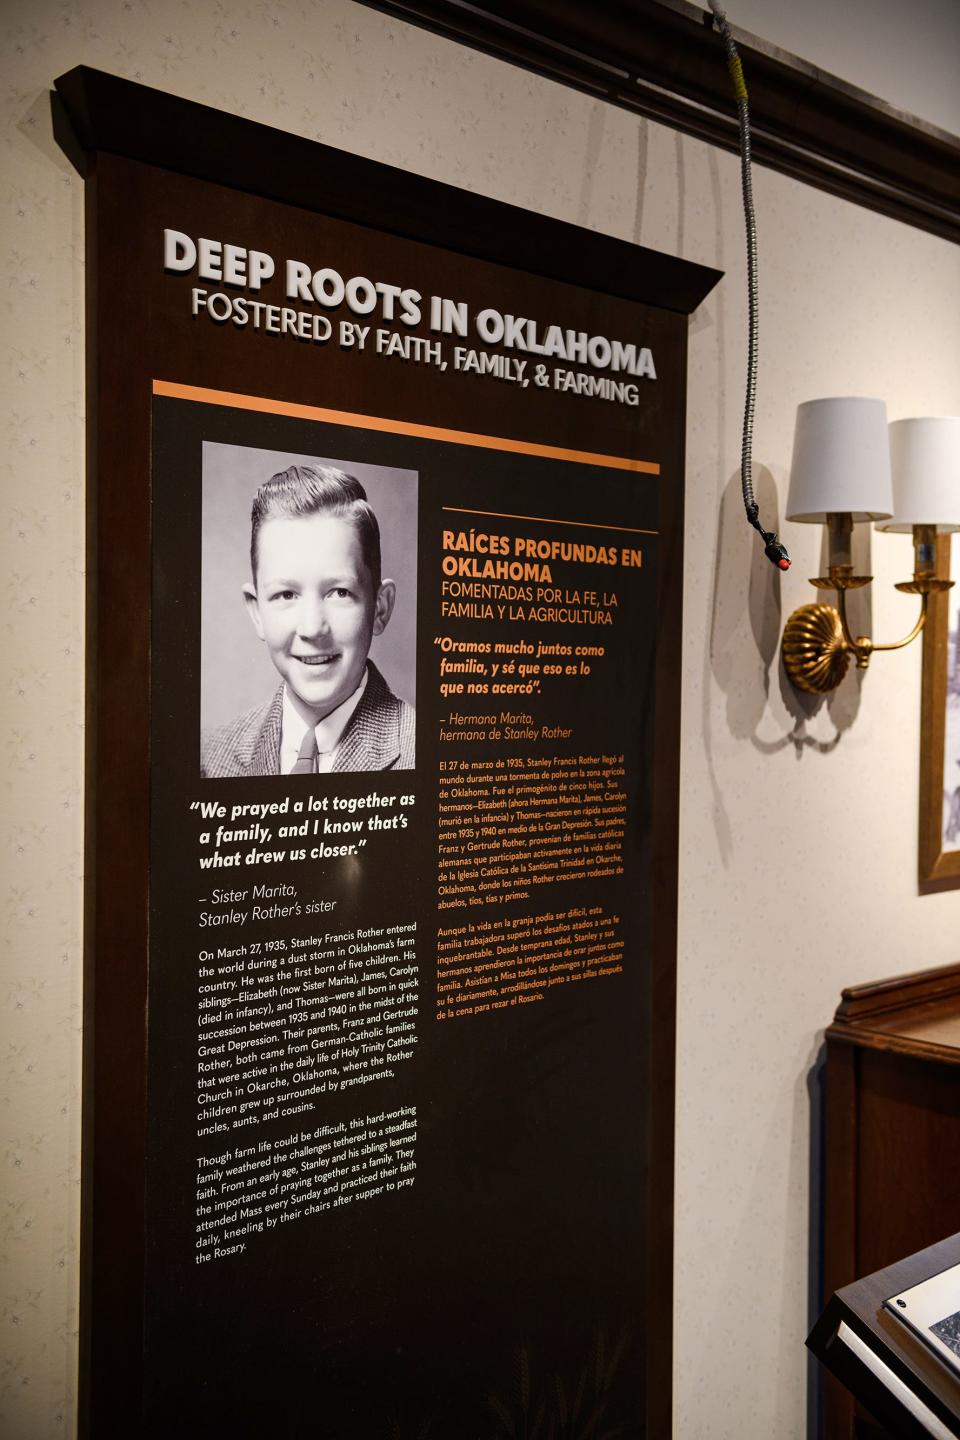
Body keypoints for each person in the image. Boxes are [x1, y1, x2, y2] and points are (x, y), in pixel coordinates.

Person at [201, 465, 415, 776]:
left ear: (380, 608)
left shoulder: (424, 756)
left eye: (339, 592)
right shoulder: (210, 758)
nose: (313, 628)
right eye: (286, 595)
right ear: (257, 612)